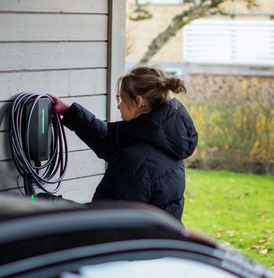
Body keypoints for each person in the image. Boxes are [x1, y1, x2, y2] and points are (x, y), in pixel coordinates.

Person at [49, 65, 198, 221]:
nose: (119, 105)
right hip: (159, 241)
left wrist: (45, 203)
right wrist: (69, 112)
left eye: (121, 98)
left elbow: (100, 219)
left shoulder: (135, 160)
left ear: (139, 101)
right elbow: (109, 141)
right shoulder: (164, 140)